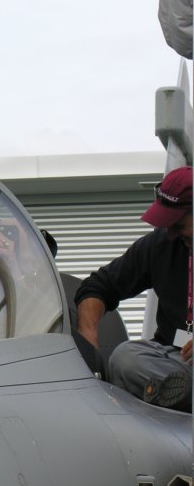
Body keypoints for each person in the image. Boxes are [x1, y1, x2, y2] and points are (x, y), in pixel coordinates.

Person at [76, 165, 192, 410]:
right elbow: (97, 286)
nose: (170, 233)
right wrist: (88, 344)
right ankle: (179, 395)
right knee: (125, 357)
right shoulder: (159, 245)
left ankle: (179, 396)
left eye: (178, 225)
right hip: (173, 363)